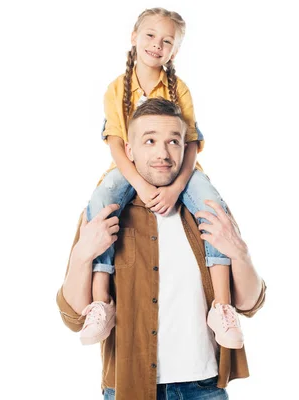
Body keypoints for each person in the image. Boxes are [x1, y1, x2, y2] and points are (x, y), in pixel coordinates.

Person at [57, 98, 266, 400]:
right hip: (128, 387)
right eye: (150, 140)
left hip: (204, 388)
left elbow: (249, 304)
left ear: (186, 148)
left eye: (173, 141)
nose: (163, 153)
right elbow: (74, 317)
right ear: (129, 151)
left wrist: (240, 253)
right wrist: (81, 254)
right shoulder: (107, 213)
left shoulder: (206, 210)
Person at [80, 7, 245, 351]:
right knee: (100, 203)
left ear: (175, 51)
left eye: (167, 41)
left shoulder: (179, 89)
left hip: (181, 170)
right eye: (151, 36)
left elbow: (192, 142)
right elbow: (115, 143)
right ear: (134, 38)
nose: (157, 45)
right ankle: (100, 304)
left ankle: (222, 308)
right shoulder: (116, 89)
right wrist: (140, 184)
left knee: (213, 206)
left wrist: (176, 186)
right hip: (130, 167)